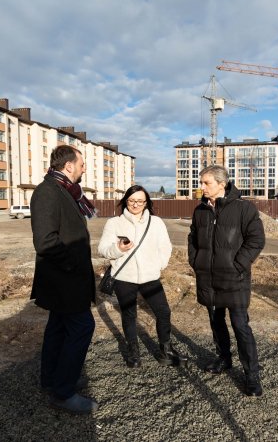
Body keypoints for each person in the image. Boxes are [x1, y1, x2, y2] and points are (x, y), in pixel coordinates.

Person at [30, 145, 99, 414]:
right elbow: (45, 241)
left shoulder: (64, 190)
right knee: (83, 327)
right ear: (69, 166)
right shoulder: (47, 192)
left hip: (66, 280)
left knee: (58, 329)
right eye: (81, 164)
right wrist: (72, 265)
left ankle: (53, 380)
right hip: (64, 280)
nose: (84, 168)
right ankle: (63, 392)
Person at [187, 165, 265, 396]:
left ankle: (252, 375)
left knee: (240, 326)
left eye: (206, 183)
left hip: (234, 279)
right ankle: (224, 358)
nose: (202, 187)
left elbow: (256, 239)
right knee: (216, 321)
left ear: (222, 184)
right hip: (208, 278)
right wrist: (196, 260)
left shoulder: (244, 208)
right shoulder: (200, 210)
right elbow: (192, 238)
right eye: (201, 182)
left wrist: (238, 265)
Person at [98, 185, 187, 368]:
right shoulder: (114, 223)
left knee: (163, 312)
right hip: (124, 277)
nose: (135, 204)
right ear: (125, 201)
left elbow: (165, 247)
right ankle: (134, 352)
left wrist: (159, 265)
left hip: (150, 277)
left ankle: (166, 351)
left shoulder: (156, 222)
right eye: (131, 200)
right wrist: (118, 248)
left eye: (140, 201)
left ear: (146, 203)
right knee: (129, 315)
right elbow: (103, 249)